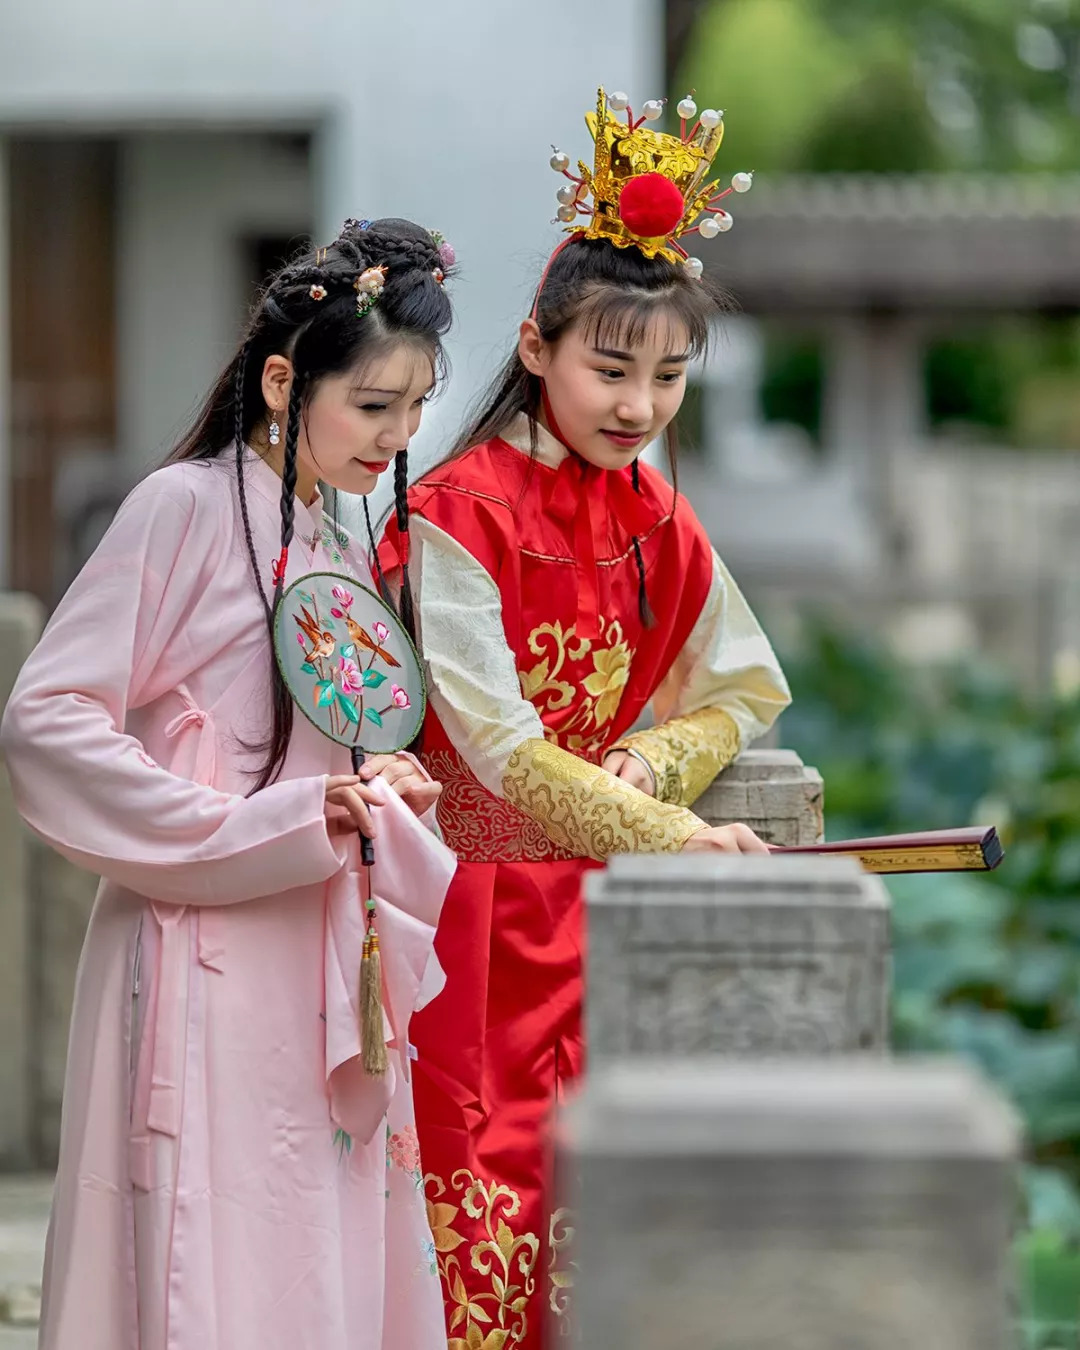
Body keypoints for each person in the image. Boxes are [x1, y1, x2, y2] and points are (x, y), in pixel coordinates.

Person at [1, 217, 460, 1350]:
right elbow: (47, 721)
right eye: (372, 406)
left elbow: (326, 754)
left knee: (315, 1245)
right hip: (197, 943)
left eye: (413, 410)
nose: (395, 436)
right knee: (208, 1258)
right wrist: (238, 824)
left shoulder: (332, 541)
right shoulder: (182, 509)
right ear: (280, 378)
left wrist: (377, 789)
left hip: (310, 946)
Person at [378, 92, 792, 1346]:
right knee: (467, 1215)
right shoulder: (457, 512)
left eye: (668, 377)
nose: (639, 406)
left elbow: (749, 687)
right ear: (538, 347)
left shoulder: (658, 519)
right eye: (610, 370)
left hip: (593, 913)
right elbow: (498, 753)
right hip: (457, 913)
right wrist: (671, 834)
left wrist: (650, 759)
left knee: (597, 1229)